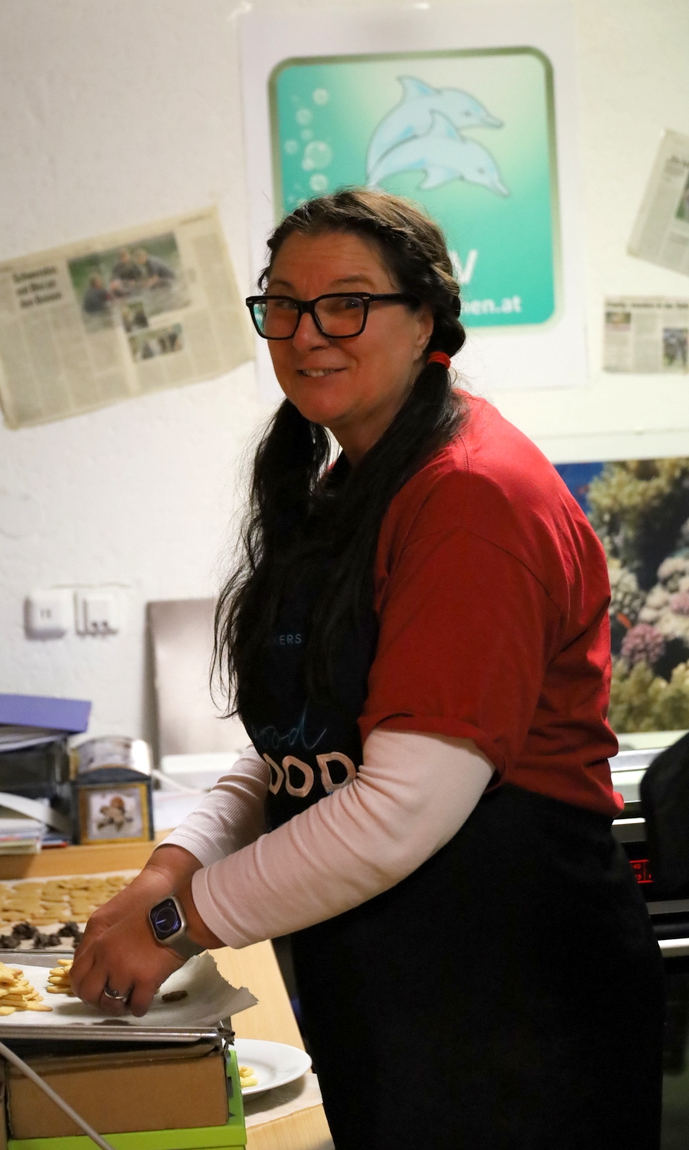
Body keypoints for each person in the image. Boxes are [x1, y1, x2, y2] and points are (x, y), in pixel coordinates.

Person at [72, 189, 664, 1150]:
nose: (308, 333)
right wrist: (172, 868)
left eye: (346, 303)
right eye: (284, 304)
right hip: (400, 986)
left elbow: (400, 808)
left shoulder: (470, 500)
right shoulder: (357, 475)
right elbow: (305, 744)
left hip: (512, 1007)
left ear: (426, 320)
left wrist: (181, 921)